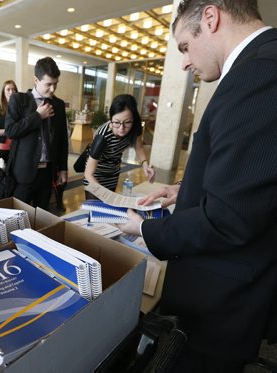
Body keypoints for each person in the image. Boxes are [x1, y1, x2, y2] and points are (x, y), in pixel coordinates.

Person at [118, 1, 277, 371]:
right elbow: (254, 183)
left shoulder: (259, 74)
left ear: (210, 18)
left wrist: (146, 228)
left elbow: (229, 218)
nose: (185, 63)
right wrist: (187, 190)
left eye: (185, 47)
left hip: (220, 304)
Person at [5, 57, 69, 210]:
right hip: (24, 173)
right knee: (20, 217)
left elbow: (62, 139)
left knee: (42, 216)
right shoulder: (19, 100)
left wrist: (63, 168)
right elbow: (11, 131)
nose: (52, 89)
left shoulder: (58, 104)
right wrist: (37, 116)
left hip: (47, 173)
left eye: (55, 84)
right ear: (36, 80)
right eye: (48, 84)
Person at [83, 94, 155, 199]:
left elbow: (139, 147)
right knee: (96, 211)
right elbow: (88, 173)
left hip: (112, 174)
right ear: (111, 118)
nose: (122, 128)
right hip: (95, 175)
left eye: (127, 122)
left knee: (110, 211)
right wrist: (102, 192)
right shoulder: (103, 135)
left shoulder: (135, 128)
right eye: (116, 122)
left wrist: (145, 165)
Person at [0, 80, 18, 151]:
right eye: (8, 89)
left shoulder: (20, 108)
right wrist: (10, 130)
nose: (11, 92)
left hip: (19, 143)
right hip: (5, 143)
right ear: (3, 93)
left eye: (13, 89)